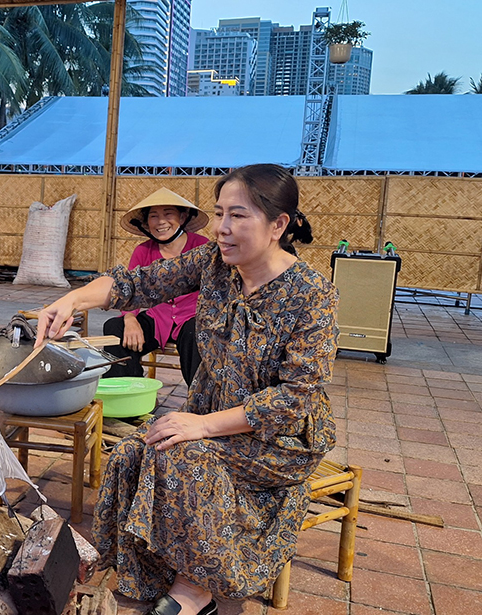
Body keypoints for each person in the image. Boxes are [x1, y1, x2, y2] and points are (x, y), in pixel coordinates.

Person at [35, 164, 338, 615]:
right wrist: (70, 300)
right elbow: (134, 283)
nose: (222, 228)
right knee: (134, 451)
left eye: (238, 216)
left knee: (180, 452)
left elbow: (296, 398)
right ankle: (156, 571)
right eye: (219, 214)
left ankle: (197, 590)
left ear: (278, 225)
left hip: (279, 437)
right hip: (214, 412)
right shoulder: (215, 265)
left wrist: (203, 425)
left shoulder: (312, 294)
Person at [103, 188, 209, 386]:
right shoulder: (143, 250)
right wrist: (130, 318)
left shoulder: (202, 246)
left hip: (192, 318)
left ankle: (199, 405)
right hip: (157, 317)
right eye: (154, 216)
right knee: (114, 328)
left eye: (168, 213)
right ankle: (130, 394)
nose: (161, 222)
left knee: (198, 332)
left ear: (183, 217)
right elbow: (130, 288)